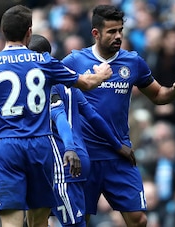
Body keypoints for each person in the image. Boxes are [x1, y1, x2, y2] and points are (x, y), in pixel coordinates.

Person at [0, 5, 113, 227]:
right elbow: (87, 83)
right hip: (40, 145)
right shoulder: (45, 62)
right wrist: (101, 74)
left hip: (6, 146)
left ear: (3, 31)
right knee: (39, 221)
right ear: (29, 32)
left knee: (11, 221)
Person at [61, 4, 175, 227]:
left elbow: (159, 95)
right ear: (96, 33)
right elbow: (52, 91)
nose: (118, 36)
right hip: (86, 156)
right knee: (79, 221)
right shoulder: (75, 61)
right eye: (112, 31)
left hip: (120, 154)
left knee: (139, 219)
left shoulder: (132, 62)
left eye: (120, 30)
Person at [28, 34, 135, 227]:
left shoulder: (45, 83)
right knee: (37, 219)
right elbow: (93, 116)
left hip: (65, 162)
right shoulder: (69, 83)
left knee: (73, 224)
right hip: (76, 159)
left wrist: (69, 148)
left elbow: (59, 116)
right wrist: (118, 145)